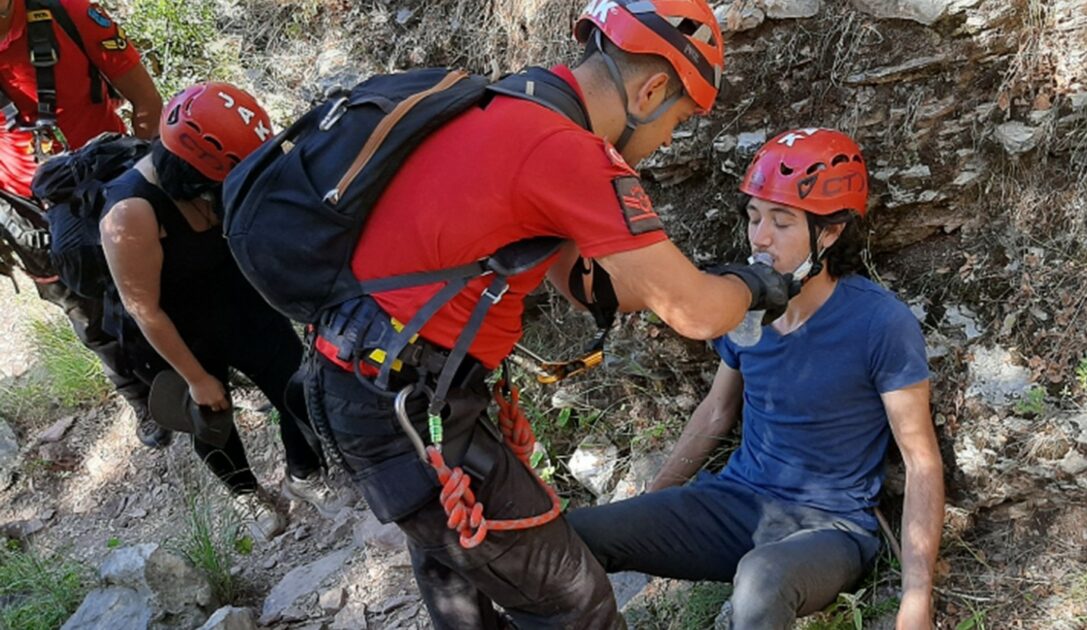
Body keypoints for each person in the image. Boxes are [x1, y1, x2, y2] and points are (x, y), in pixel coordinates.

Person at [305, 1, 800, 627]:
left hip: (367, 379)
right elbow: (698, 314)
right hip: (404, 403)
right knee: (575, 602)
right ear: (650, 89)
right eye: (676, 119)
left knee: (456, 566)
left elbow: (580, 285)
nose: (668, 140)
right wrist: (751, 283)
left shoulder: (519, 101)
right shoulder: (569, 151)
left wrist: (664, 281)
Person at [567, 128, 945, 630]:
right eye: (754, 217)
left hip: (830, 529)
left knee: (761, 578)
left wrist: (916, 597)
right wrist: (653, 501)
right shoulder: (745, 306)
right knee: (569, 535)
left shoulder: (880, 323)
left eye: (782, 222)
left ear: (829, 233)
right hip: (736, 504)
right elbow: (717, 412)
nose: (760, 237)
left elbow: (921, 462)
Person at [99, 82, 348, 539]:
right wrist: (195, 377)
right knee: (209, 418)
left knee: (295, 384)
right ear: (196, 171)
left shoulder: (224, 173)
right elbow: (144, 308)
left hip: (240, 300)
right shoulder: (130, 213)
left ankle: (304, 473)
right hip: (174, 327)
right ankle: (242, 492)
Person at [0, 0, 165, 446]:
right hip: (27, 204)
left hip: (106, 173)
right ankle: (141, 398)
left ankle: (210, 364)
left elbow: (146, 99)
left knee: (163, 275)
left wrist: (148, 175)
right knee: (81, 307)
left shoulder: (67, 14)